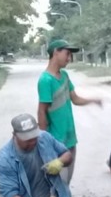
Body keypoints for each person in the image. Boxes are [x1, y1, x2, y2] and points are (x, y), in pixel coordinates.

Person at [37, 38, 103, 187]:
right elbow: (42, 112)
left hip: (70, 138)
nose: (69, 58)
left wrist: (93, 100)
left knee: (66, 181)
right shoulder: (45, 80)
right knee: (57, 182)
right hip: (56, 141)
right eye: (67, 54)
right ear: (55, 52)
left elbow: (75, 99)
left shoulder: (65, 76)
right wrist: (44, 141)